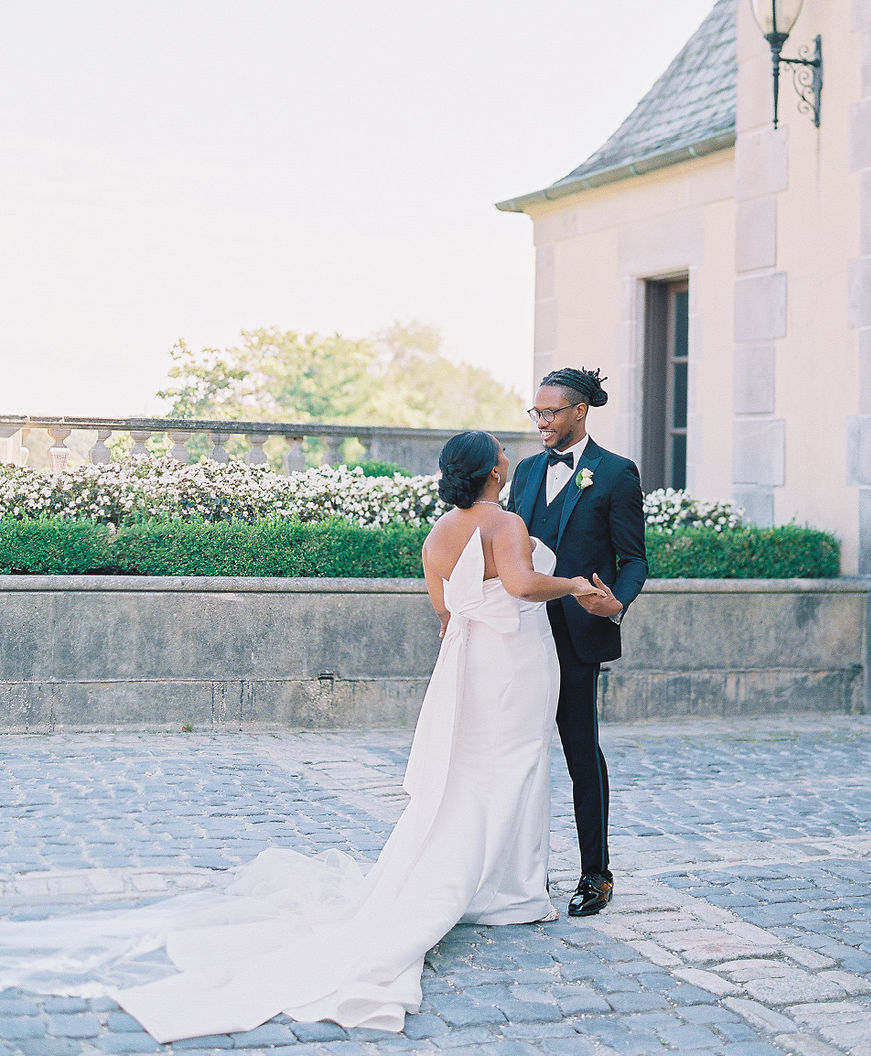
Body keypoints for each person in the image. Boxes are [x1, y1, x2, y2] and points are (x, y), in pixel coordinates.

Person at [0, 431, 598, 1042]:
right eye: (501, 449)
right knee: (516, 766)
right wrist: (574, 586)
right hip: (515, 665)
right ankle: (509, 890)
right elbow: (522, 587)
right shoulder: (505, 525)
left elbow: (445, 613)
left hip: (470, 669)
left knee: (471, 773)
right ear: (494, 470)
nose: (507, 454)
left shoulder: (438, 534)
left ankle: (491, 882)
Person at [508, 367, 647, 918]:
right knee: (518, 755)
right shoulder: (522, 472)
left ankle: (596, 874)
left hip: (577, 638)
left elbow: (634, 559)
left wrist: (617, 603)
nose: (541, 421)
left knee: (580, 754)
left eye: (549, 412)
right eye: (536, 413)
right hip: (520, 632)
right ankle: (519, 873)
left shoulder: (615, 473)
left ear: (579, 411)